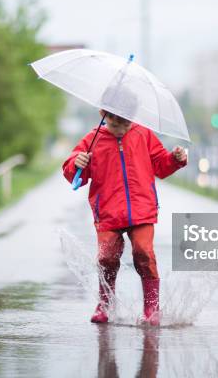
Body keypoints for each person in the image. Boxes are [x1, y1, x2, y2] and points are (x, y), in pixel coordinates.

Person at [62, 109, 188, 325]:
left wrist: (175, 159)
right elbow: (74, 174)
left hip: (142, 209)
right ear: (105, 115)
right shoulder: (93, 139)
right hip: (108, 211)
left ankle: (151, 307)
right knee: (106, 257)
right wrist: (77, 163)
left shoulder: (144, 135)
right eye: (115, 123)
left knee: (144, 253)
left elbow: (161, 165)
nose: (121, 129)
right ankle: (105, 304)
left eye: (126, 123)